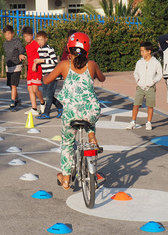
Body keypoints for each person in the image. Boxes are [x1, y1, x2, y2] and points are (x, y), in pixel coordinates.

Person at [43, 32, 106, 190]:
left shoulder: (64, 65)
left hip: (71, 113)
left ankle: (65, 177)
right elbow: (102, 78)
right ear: (87, 51)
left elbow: (46, 80)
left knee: (67, 144)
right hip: (91, 110)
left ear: (69, 51)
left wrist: (51, 74)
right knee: (89, 113)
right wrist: (95, 75)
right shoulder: (91, 65)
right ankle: (91, 136)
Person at [126, 42, 162, 131]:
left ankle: (148, 122)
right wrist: (138, 81)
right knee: (136, 105)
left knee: (150, 106)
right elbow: (136, 73)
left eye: (143, 51)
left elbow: (160, 74)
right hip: (140, 87)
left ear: (149, 51)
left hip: (150, 87)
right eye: (141, 51)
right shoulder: (139, 62)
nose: (141, 53)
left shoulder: (155, 62)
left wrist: (153, 81)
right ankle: (133, 122)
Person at [34, 31, 63, 119]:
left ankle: (46, 113)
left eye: (41, 40)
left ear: (46, 39)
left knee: (49, 95)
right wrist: (35, 64)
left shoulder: (50, 49)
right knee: (47, 95)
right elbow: (39, 61)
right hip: (45, 75)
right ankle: (60, 106)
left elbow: (55, 62)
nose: (39, 42)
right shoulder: (39, 50)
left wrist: (42, 61)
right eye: (38, 40)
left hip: (53, 75)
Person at [22, 26, 45, 116]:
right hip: (30, 70)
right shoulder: (27, 46)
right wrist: (23, 56)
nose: (27, 38)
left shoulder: (36, 44)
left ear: (32, 35)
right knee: (30, 88)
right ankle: (34, 108)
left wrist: (35, 64)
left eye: (28, 36)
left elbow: (40, 56)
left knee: (35, 89)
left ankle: (42, 102)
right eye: (25, 36)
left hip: (37, 69)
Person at [2, 25, 26, 111]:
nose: (7, 36)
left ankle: (12, 102)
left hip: (17, 65)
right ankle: (17, 99)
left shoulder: (17, 42)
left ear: (13, 33)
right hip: (8, 66)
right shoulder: (4, 44)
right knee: (11, 86)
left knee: (13, 84)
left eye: (9, 34)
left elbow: (22, 50)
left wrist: (20, 54)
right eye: (5, 34)